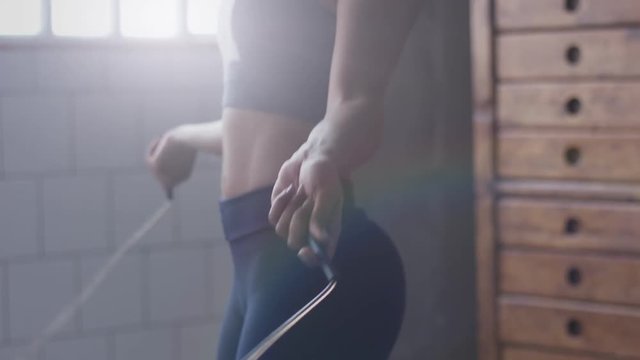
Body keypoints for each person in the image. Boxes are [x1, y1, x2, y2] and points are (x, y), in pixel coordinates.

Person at [147, 0, 423, 358]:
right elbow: (257, 120)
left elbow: (357, 102)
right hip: (249, 264)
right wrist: (184, 137)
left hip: (316, 264)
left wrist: (321, 152)